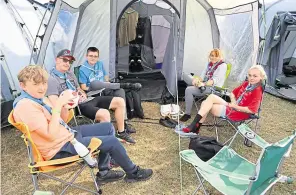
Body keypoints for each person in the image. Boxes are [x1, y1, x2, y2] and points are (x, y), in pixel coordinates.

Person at [12, 65, 153, 184]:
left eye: (44, 83)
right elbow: (50, 135)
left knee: (108, 127)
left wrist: (66, 106)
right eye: (36, 84)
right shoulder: (25, 106)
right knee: (111, 141)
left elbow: (63, 120)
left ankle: (104, 172)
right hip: (58, 149)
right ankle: (133, 173)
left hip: (66, 135)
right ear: (22, 85)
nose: (42, 88)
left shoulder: (38, 99)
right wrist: (58, 104)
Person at [47, 49, 135, 144]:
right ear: (57, 60)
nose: (68, 63)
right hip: (77, 107)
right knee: (105, 114)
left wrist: (82, 93)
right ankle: (106, 144)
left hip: (86, 99)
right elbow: (55, 103)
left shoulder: (70, 74)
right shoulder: (51, 79)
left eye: (70, 61)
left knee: (120, 101)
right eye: (65, 60)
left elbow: (78, 88)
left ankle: (121, 132)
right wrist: (70, 101)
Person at [183, 65, 267, 134]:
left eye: (255, 76)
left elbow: (252, 110)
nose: (251, 78)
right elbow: (232, 93)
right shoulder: (247, 84)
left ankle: (194, 126)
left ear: (261, 77)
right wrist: (234, 102)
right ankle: (195, 127)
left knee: (206, 102)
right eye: (249, 75)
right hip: (232, 107)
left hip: (238, 113)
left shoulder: (257, 90)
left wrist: (236, 107)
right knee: (207, 101)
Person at [180, 49, 227, 122]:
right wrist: (197, 80)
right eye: (211, 55)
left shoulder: (222, 66)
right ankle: (196, 84)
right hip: (204, 84)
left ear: (220, 57)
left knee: (189, 89)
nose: (213, 58)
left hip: (214, 88)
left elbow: (214, 80)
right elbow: (202, 77)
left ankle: (187, 114)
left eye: (216, 56)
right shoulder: (209, 64)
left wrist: (203, 84)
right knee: (185, 75)